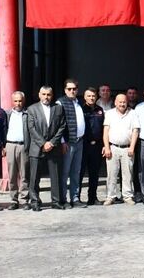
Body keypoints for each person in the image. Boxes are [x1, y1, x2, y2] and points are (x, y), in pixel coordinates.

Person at [26, 85, 67, 210]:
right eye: (44, 94)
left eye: (48, 94)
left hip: (54, 147)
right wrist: (43, 143)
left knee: (55, 176)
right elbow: (31, 128)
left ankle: (56, 201)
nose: (46, 97)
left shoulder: (58, 108)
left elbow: (62, 126)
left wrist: (52, 143)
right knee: (34, 177)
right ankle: (35, 201)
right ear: (39, 95)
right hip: (37, 147)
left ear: (52, 95)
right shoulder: (32, 109)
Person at [102, 92, 139, 205]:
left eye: (124, 102)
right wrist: (107, 147)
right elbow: (106, 132)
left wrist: (132, 147)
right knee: (111, 174)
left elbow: (135, 131)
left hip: (127, 148)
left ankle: (127, 196)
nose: (122, 104)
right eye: (120, 102)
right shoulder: (109, 114)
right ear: (115, 103)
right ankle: (110, 196)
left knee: (128, 174)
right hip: (113, 147)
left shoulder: (133, 113)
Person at [58, 79, 87, 207]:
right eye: (69, 89)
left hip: (79, 141)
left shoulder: (79, 102)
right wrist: (62, 141)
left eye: (74, 89)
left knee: (76, 172)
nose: (72, 91)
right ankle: (63, 199)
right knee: (65, 172)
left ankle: (75, 198)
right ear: (65, 90)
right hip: (67, 143)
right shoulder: (60, 102)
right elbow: (58, 124)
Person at [4, 91, 31, 209]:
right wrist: (3, 146)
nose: (18, 103)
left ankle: (24, 200)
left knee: (25, 174)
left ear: (23, 101)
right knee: (12, 174)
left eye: (20, 101)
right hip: (10, 145)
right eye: (15, 101)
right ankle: (13, 200)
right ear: (12, 101)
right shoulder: (7, 114)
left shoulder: (28, 114)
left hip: (23, 146)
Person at [81, 88, 105, 205]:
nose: (91, 98)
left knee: (94, 174)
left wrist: (104, 145)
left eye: (93, 96)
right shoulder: (80, 109)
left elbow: (104, 128)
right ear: (84, 97)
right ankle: (76, 198)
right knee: (80, 173)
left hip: (97, 146)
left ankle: (92, 198)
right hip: (83, 146)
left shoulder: (100, 110)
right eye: (89, 96)